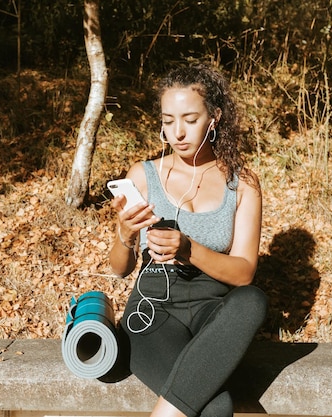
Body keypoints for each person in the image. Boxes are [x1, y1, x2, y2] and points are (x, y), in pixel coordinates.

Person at [108, 64, 267, 417]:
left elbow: (243, 274)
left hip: (213, 312)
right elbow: (119, 269)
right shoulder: (143, 175)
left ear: (214, 117)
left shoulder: (243, 185)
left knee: (252, 300)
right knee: (218, 408)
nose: (177, 132)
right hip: (153, 311)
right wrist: (125, 234)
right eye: (168, 120)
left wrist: (188, 249)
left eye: (190, 119)